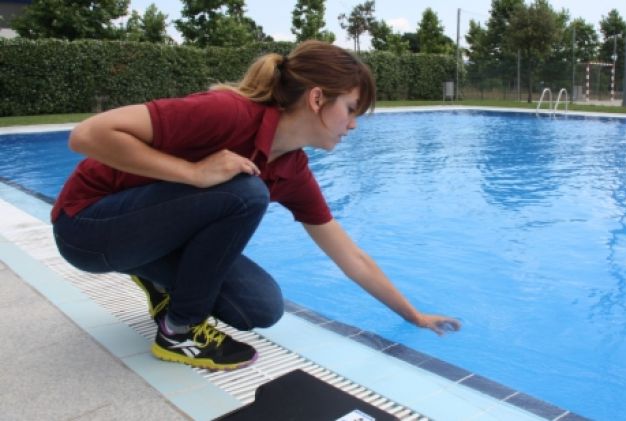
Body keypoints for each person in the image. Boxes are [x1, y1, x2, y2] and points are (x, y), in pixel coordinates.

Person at [51, 40, 461, 371]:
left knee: (260, 306)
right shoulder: (227, 113)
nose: (353, 124)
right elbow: (87, 134)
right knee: (246, 192)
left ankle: (158, 281)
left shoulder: (293, 169)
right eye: (351, 110)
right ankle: (178, 330)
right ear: (318, 98)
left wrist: (414, 315)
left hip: (145, 237)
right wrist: (193, 173)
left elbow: (349, 256)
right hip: (86, 228)